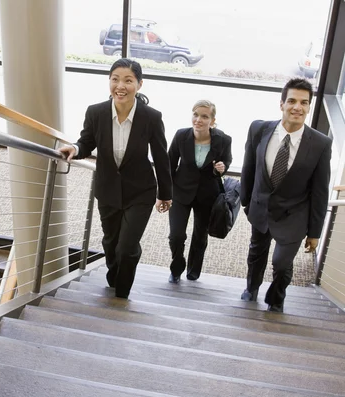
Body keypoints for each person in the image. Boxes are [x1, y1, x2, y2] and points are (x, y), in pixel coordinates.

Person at [59, 58, 172, 299]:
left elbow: (161, 156)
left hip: (140, 190)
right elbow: (86, 141)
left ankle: (122, 292)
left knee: (127, 247)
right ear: (109, 82)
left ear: (139, 85)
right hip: (108, 188)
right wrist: (75, 149)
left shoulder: (151, 117)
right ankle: (114, 275)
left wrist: (165, 194)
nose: (120, 86)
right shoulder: (96, 112)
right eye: (115, 79)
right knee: (110, 243)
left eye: (128, 80)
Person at [240, 78, 332, 312]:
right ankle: (251, 288)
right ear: (281, 104)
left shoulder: (320, 144)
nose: (297, 107)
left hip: (295, 214)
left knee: (281, 263)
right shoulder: (259, 129)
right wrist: (246, 203)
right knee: (256, 253)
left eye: (304, 102)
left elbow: (320, 191)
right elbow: (249, 168)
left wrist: (314, 231)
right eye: (291, 100)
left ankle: (276, 298)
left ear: (309, 106)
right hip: (260, 208)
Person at [168, 100, 232, 283]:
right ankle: (177, 265)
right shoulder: (181, 136)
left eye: (205, 116)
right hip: (181, 192)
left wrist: (222, 167)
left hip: (207, 194)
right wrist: (164, 193)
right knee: (176, 235)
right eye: (196, 115)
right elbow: (169, 164)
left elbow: (227, 161)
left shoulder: (223, 139)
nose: (199, 119)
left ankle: (193, 271)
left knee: (200, 235)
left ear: (212, 120)